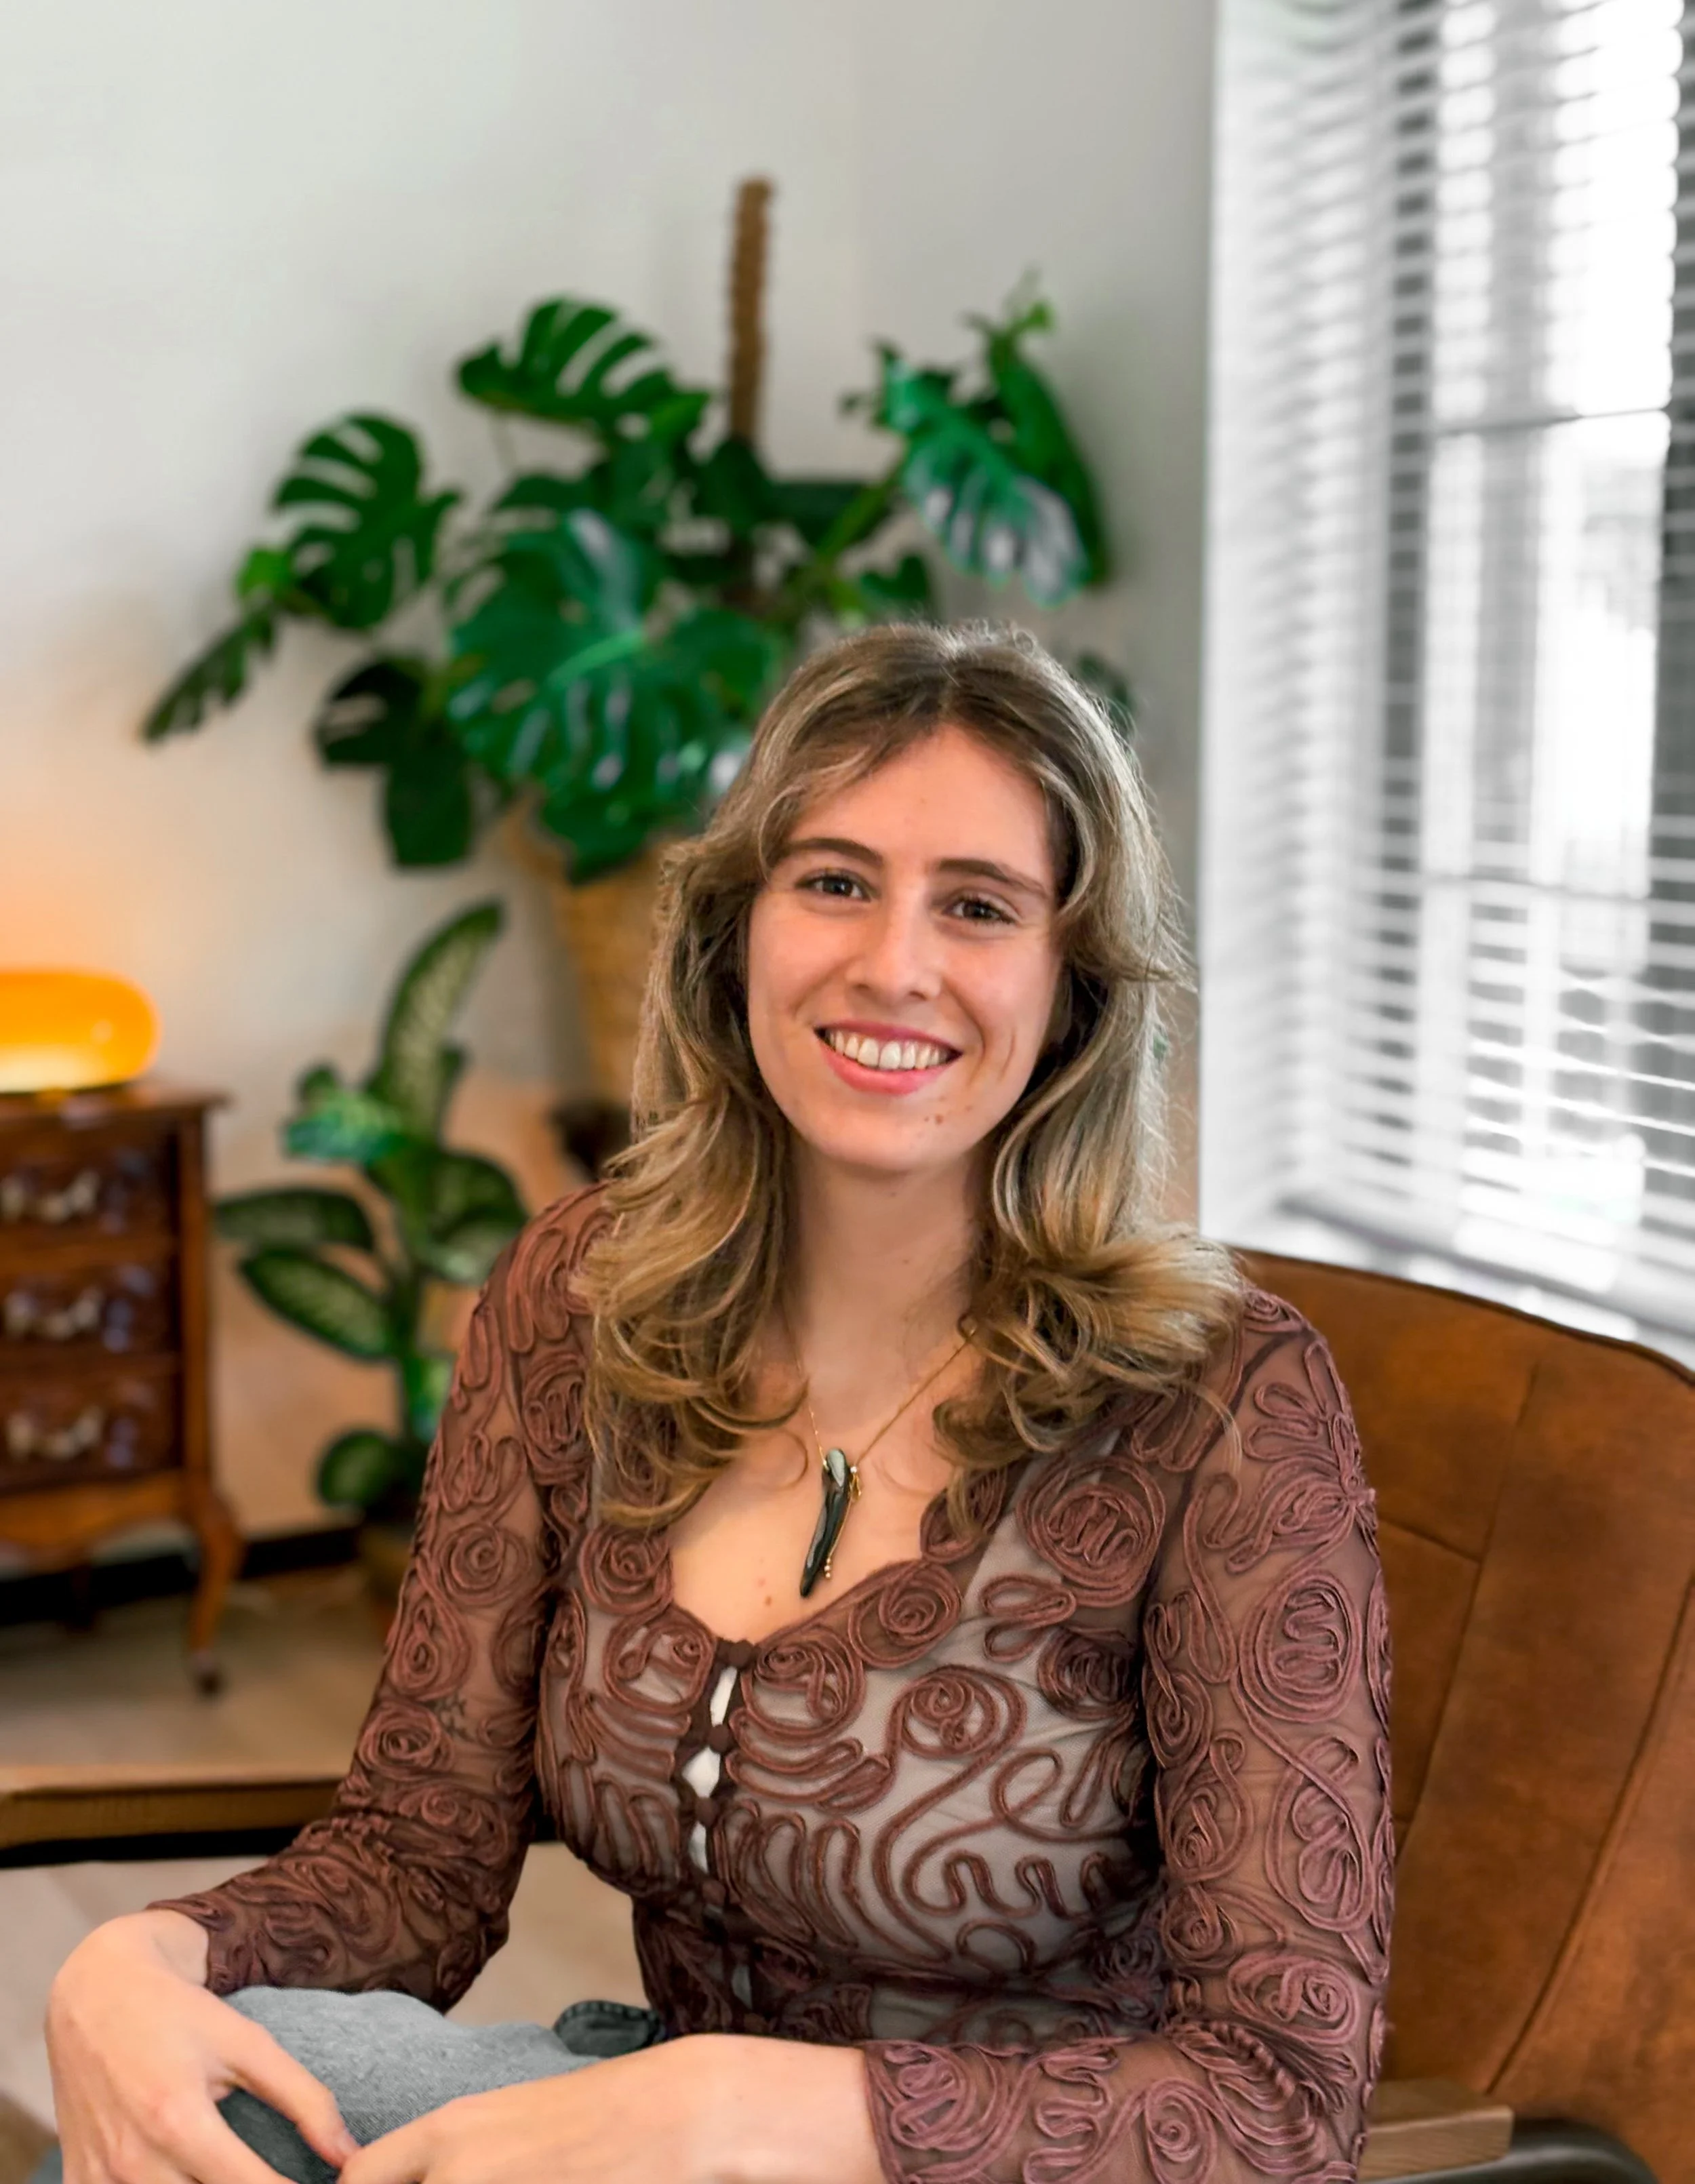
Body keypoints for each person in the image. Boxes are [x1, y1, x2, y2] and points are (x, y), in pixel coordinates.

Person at [44, 622, 1392, 2184]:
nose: (892, 964)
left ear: (1071, 991)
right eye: (831, 880)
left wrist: (740, 2115)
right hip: (656, 2133)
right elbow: (417, 1858)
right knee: (198, 2108)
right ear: (733, 929)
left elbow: (1275, 2104)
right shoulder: (576, 1302)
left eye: (977, 905)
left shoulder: (1220, 1402)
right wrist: (138, 1964)